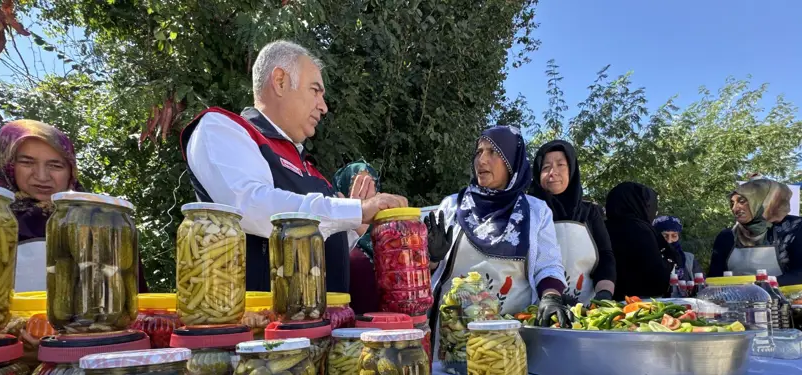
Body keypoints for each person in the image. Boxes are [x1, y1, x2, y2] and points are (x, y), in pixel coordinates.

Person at [181, 40, 406, 292]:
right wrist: (356, 210)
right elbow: (250, 206)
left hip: (326, 314)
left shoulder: (310, 169)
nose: (324, 106)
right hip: (260, 316)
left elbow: (314, 250)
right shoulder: (221, 128)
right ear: (280, 81)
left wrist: (353, 228)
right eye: (315, 90)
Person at [426, 125, 569, 328]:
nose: (482, 160)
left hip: (512, 333)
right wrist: (431, 259)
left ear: (511, 161)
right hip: (451, 332)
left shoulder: (536, 211)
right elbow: (419, 273)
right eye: (479, 152)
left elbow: (548, 265)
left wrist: (551, 297)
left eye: (493, 152)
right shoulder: (452, 206)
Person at [0, 120, 81, 292]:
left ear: (71, 171)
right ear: (8, 165)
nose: (41, 176)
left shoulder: (95, 220)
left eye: (55, 165)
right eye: (27, 162)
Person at [530, 140, 616, 303]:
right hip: (537, 306)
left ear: (572, 170)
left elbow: (605, 257)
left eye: (560, 165)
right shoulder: (527, 211)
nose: (553, 172)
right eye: (546, 167)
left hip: (585, 307)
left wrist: (604, 294)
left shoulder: (590, 212)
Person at [709, 178, 802, 285]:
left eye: (742, 201)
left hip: (793, 296)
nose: (735, 208)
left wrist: (761, 287)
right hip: (738, 298)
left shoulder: (799, 227)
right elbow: (715, 277)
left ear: (766, 200)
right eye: (732, 203)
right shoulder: (727, 236)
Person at [605, 182, 676, 300]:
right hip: (638, 303)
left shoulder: (601, 227)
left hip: (605, 300)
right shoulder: (641, 230)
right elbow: (657, 277)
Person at [333, 161, 381, 314]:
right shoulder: (329, 233)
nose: (363, 192)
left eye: (370, 185)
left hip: (389, 322)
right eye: (356, 184)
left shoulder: (389, 234)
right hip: (343, 322)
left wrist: (433, 259)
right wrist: (350, 226)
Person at [652, 215, 704, 281]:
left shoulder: (689, 259)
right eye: (664, 236)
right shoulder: (648, 259)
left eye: (674, 236)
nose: (669, 241)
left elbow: (702, 285)